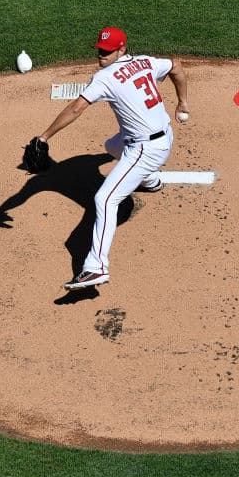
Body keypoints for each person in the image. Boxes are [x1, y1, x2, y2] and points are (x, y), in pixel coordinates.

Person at [34, 27, 190, 291]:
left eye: (108, 51)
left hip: (145, 150)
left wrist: (44, 136)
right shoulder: (144, 61)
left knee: (104, 199)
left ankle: (96, 268)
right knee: (111, 146)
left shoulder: (105, 78)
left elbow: (76, 108)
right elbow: (176, 66)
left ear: (121, 50)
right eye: (100, 49)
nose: (102, 55)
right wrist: (182, 102)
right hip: (162, 137)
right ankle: (150, 180)